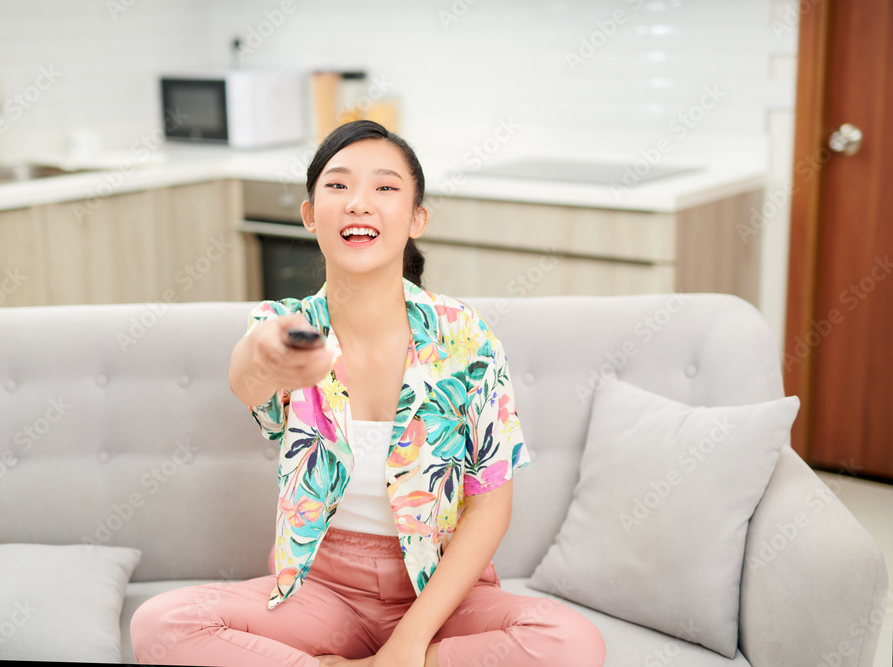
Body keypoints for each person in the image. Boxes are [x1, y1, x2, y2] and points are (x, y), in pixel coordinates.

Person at [130, 120, 606, 667]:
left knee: (572, 643)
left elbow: (491, 506)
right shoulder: (283, 325)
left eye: (384, 188)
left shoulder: (465, 337)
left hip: (441, 592)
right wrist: (271, 348)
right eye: (337, 186)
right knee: (161, 624)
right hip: (323, 589)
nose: (359, 203)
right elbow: (249, 378)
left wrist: (408, 644)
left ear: (416, 218)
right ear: (310, 215)